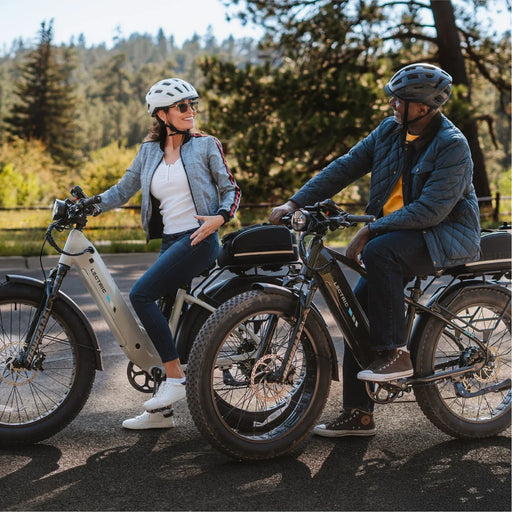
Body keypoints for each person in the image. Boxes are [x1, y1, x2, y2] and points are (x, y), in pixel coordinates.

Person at [269, 63, 480, 437]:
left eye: (402, 99)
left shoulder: (452, 145)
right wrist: (294, 203)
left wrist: (370, 230)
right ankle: (359, 415)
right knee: (358, 313)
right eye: (394, 97)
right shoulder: (389, 132)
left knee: (381, 252)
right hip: (398, 233)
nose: (394, 104)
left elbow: (432, 210)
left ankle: (397, 353)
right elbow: (346, 166)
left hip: (443, 233)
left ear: (425, 107)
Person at [98, 78, 241, 429]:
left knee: (141, 294)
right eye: (182, 107)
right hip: (170, 241)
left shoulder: (206, 145)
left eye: (192, 105)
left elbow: (230, 189)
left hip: (199, 238)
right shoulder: (149, 153)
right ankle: (160, 414)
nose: (190, 111)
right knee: (168, 321)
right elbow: (122, 190)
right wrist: (88, 205)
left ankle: (176, 379)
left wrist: (219, 219)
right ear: (162, 115)